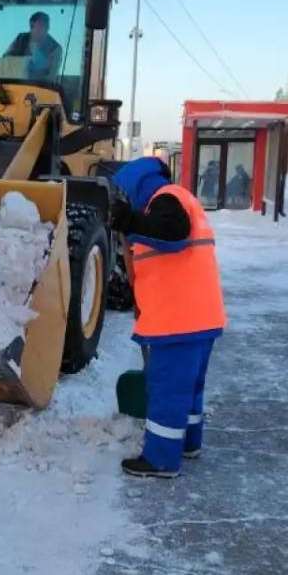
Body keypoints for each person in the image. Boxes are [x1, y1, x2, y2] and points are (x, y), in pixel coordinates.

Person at [110, 157, 227, 479]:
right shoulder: (181, 199)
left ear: (138, 185)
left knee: (167, 391)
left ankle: (161, 459)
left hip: (178, 322)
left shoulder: (165, 200)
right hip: (200, 318)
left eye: (125, 191)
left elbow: (172, 233)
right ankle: (188, 443)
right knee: (189, 389)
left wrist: (130, 221)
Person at [3, 11, 62, 81]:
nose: (46, 28)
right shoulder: (20, 39)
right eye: (42, 25)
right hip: (16, 86)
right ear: (32, 25)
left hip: (43, 89)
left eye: (47, 25)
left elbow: (51, 78)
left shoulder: (55, 48)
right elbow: (5, 61)